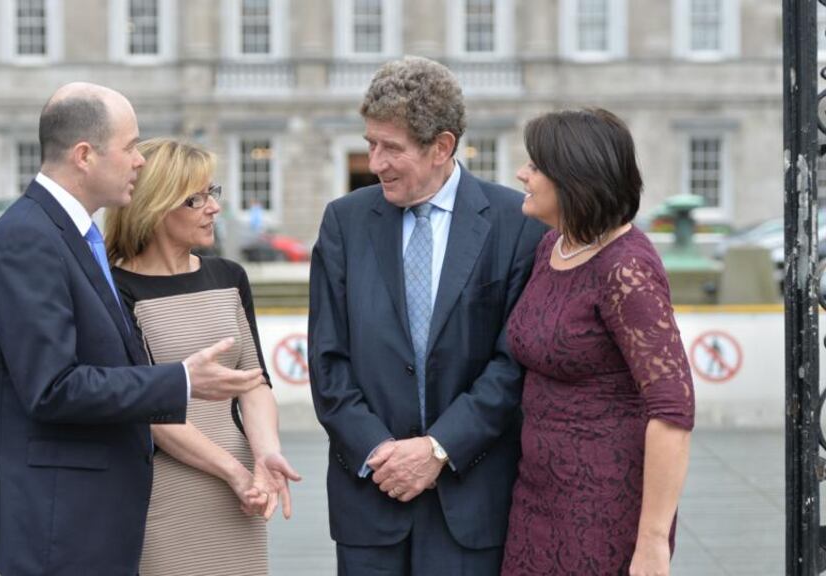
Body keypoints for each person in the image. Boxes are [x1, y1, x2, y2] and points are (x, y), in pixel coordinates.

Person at [0, 83, 265, 576]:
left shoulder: (71, 235)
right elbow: (53, 387)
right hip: (59, 524)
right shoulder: (27, 240)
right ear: (85, 155)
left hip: (88, 518)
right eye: (130, 148)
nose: (140, 162)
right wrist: (182, 380)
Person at [307, 56, 546, 575]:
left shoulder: (515, 224)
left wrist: (439, 448)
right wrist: (378, 451)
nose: (375, 162)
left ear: (442, 146)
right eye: (371, 143)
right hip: (370, 499)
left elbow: (513, 362)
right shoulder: (344, 223)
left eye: (391, 147)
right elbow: (327, 362)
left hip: (471, 501)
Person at [501, 108, 694, 576]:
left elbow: (673, 411)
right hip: (538, 496)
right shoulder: (553, 246)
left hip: (604, 508)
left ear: (574, 178)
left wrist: (651, 542)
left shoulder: (626, 268)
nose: (522, 174)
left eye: (535, 166)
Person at [105, 137, 300, 576]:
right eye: (196, 198)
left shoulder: (229, 276)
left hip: (244, 487)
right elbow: (146, 408)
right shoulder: (115, 290)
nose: (213, 207)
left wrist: (265, 455)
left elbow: (255, 382)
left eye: (213, 193)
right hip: (168, 488)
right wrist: (232, 472)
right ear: (154, 206)